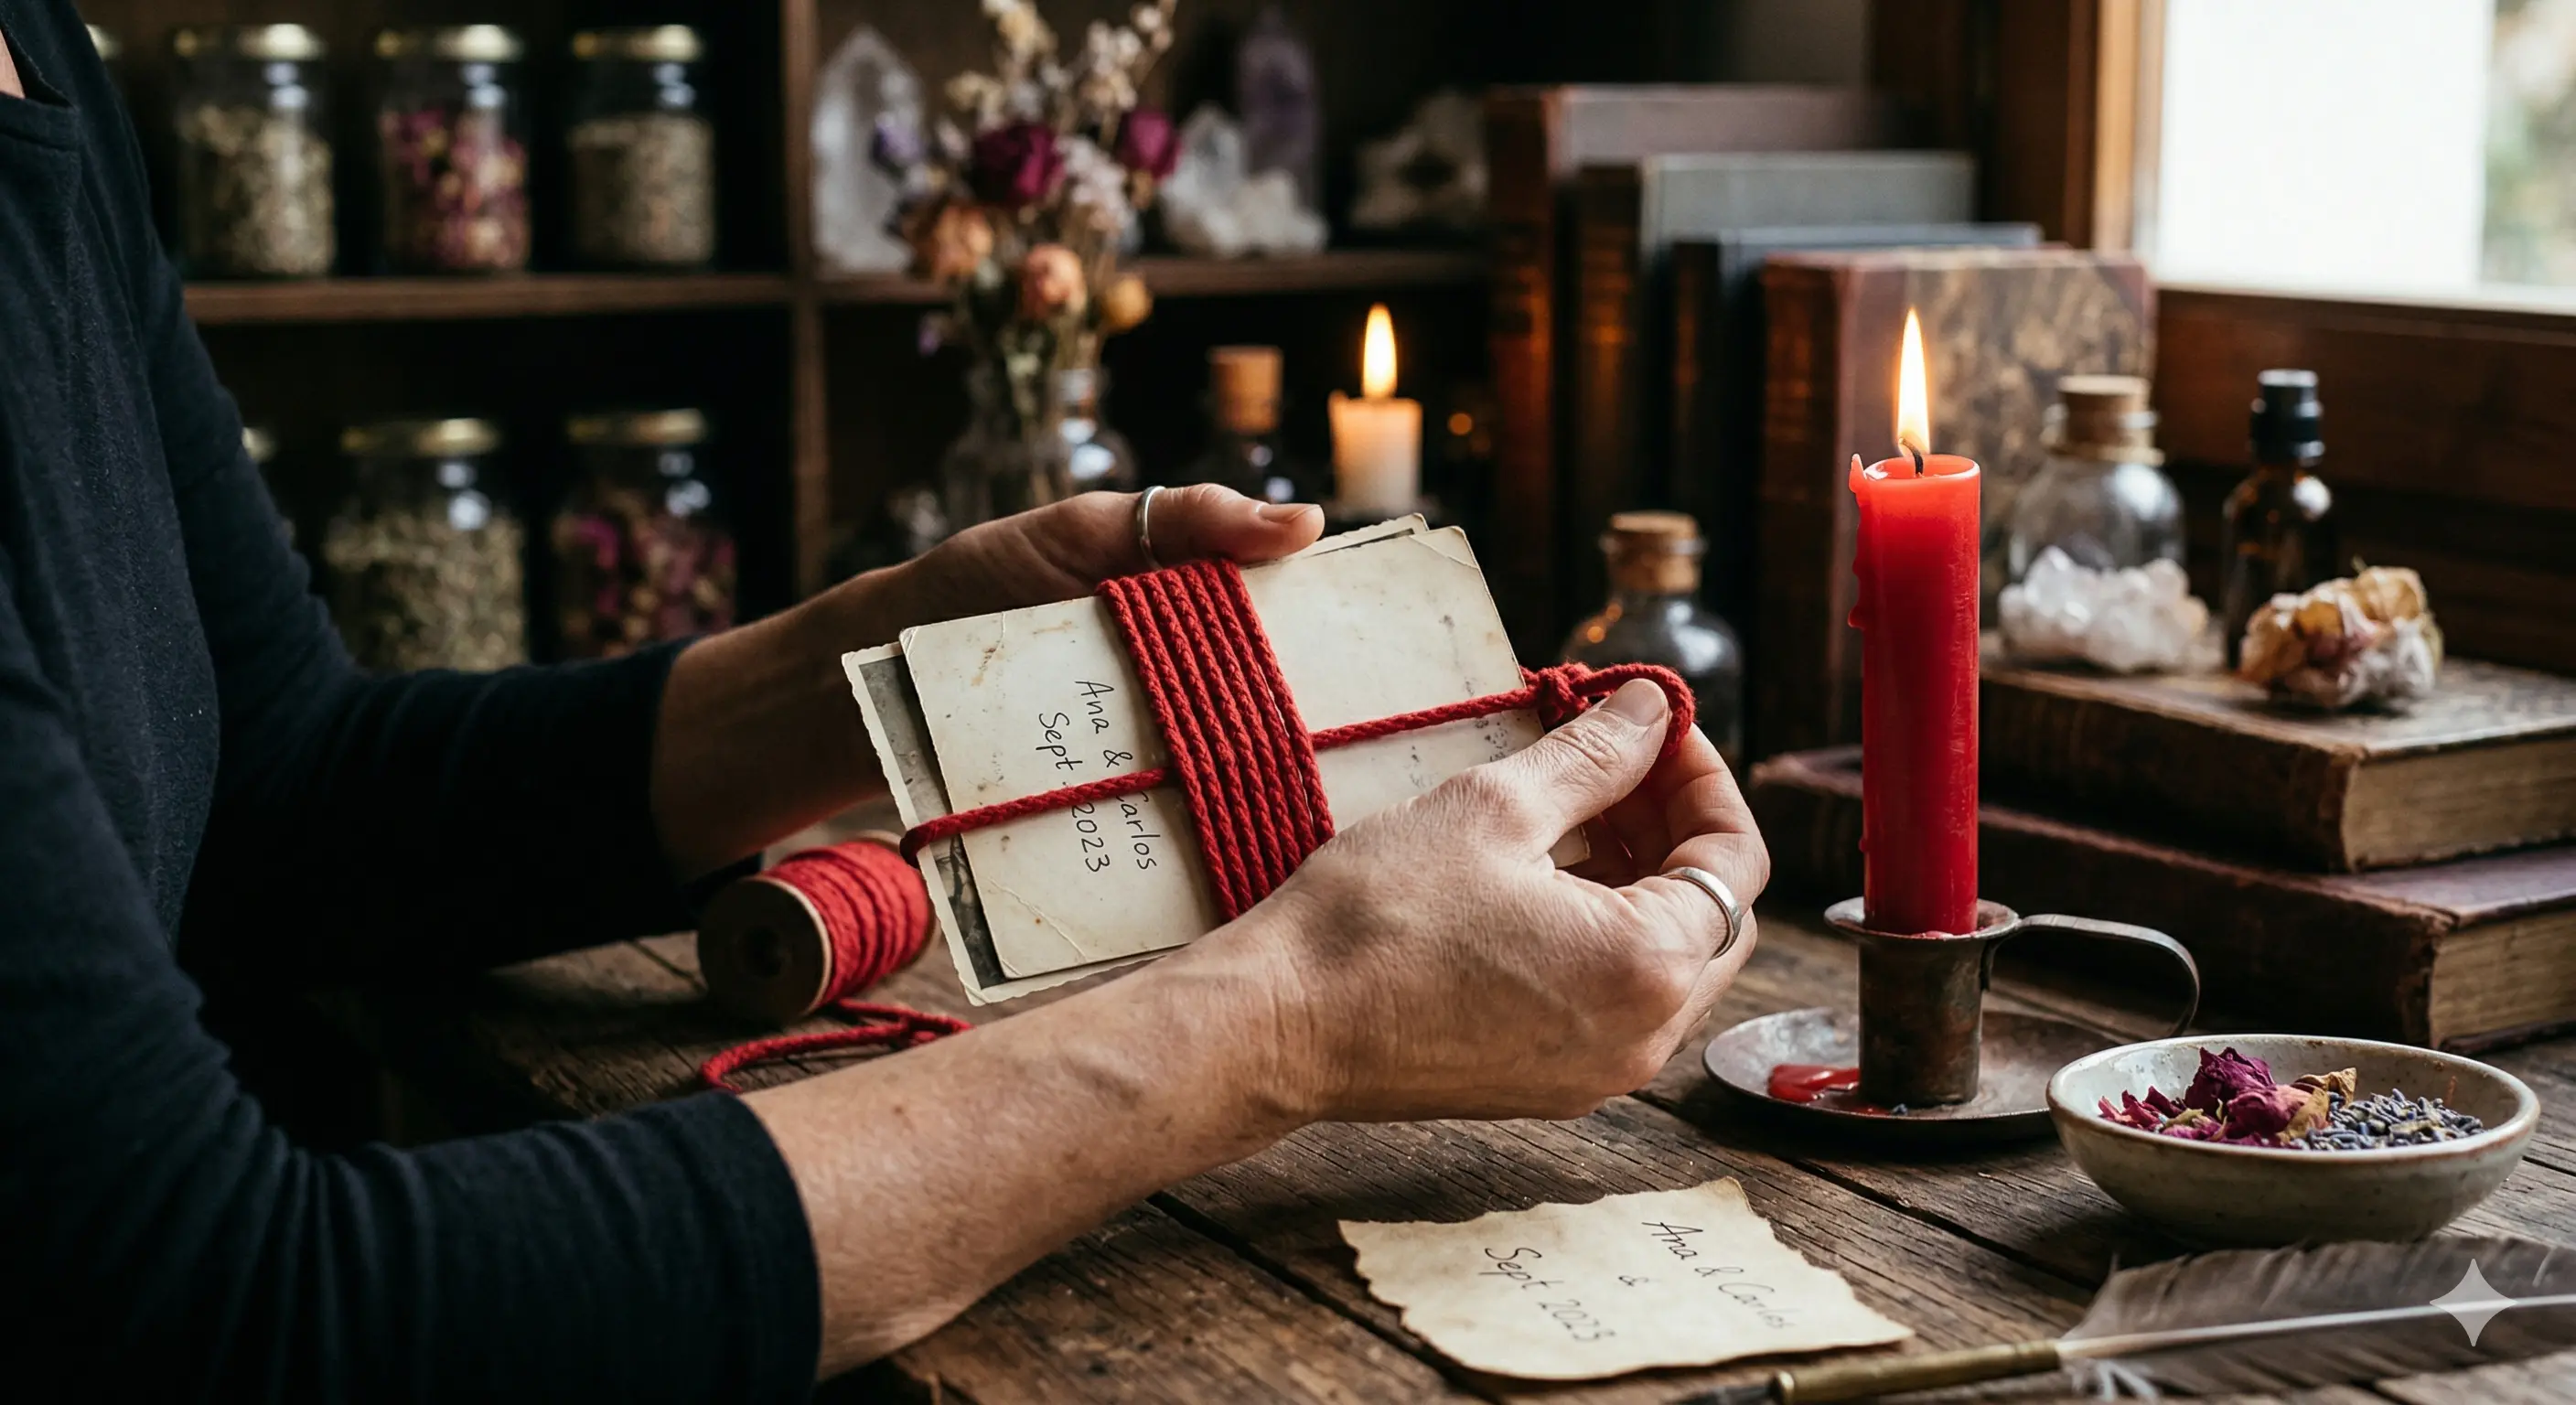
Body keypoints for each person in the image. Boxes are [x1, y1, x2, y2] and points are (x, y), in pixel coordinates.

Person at [0, 3, 1767, 1398]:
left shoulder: (44, 51)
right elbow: (210, 1311)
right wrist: (1288, 1018)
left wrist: (909, 656)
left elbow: (284, 795)